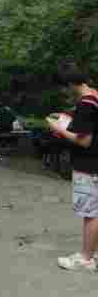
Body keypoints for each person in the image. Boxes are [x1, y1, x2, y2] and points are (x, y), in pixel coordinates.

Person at [46, 60, 98, 272]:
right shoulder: (95, 96)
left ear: (68, 84)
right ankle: (91, 253)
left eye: (63, 88)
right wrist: (67, 119)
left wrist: (58, 128)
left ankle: (85, 258)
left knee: (91, 213)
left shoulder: (85, 104)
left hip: (89, 165)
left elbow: (84, 141)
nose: (63, 92)